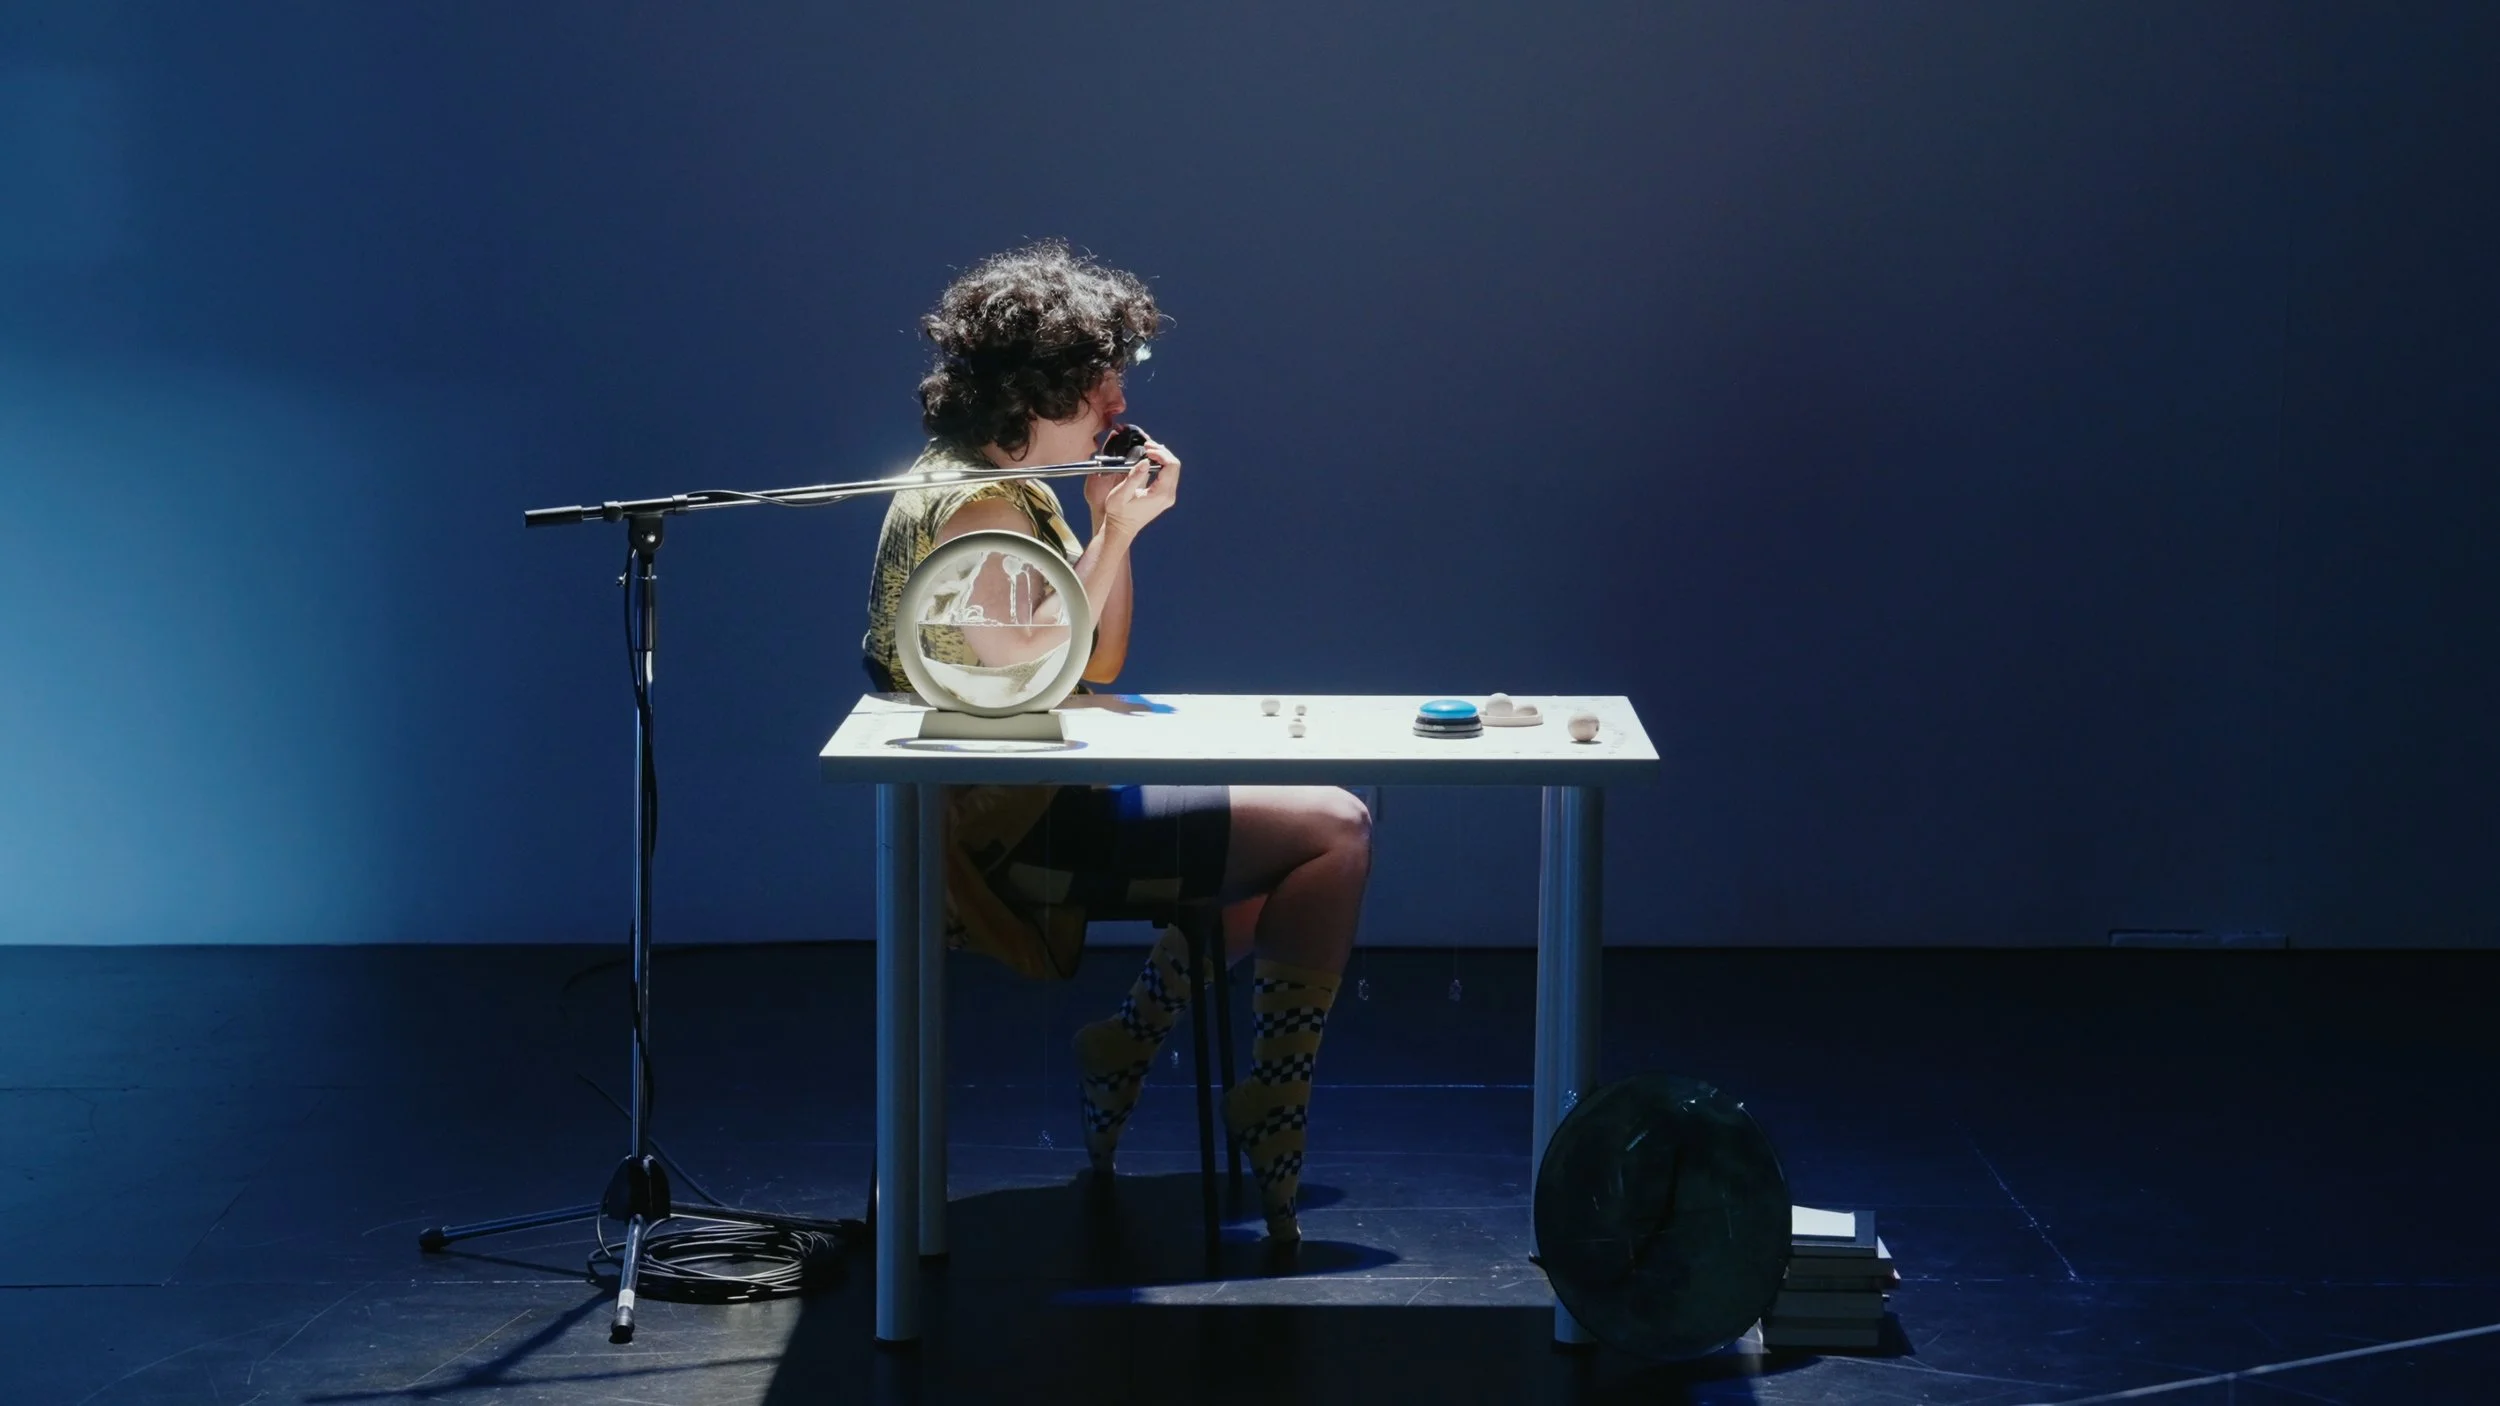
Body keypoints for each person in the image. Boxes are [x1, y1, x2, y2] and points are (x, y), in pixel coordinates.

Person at [861, 241, 1370, 1243]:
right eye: (1102, 369)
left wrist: (1110, 526)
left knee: (1287, 843)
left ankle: (1127, 1046)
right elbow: (1036, 672)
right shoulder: (978, 506)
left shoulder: (1002, 486)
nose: (1116, 389)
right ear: (1042, 380)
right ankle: (1265, 1100)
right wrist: (1115, 538)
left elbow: (1092, 664)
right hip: (1020, 836)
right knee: (1338, 827)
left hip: (1032, 808)